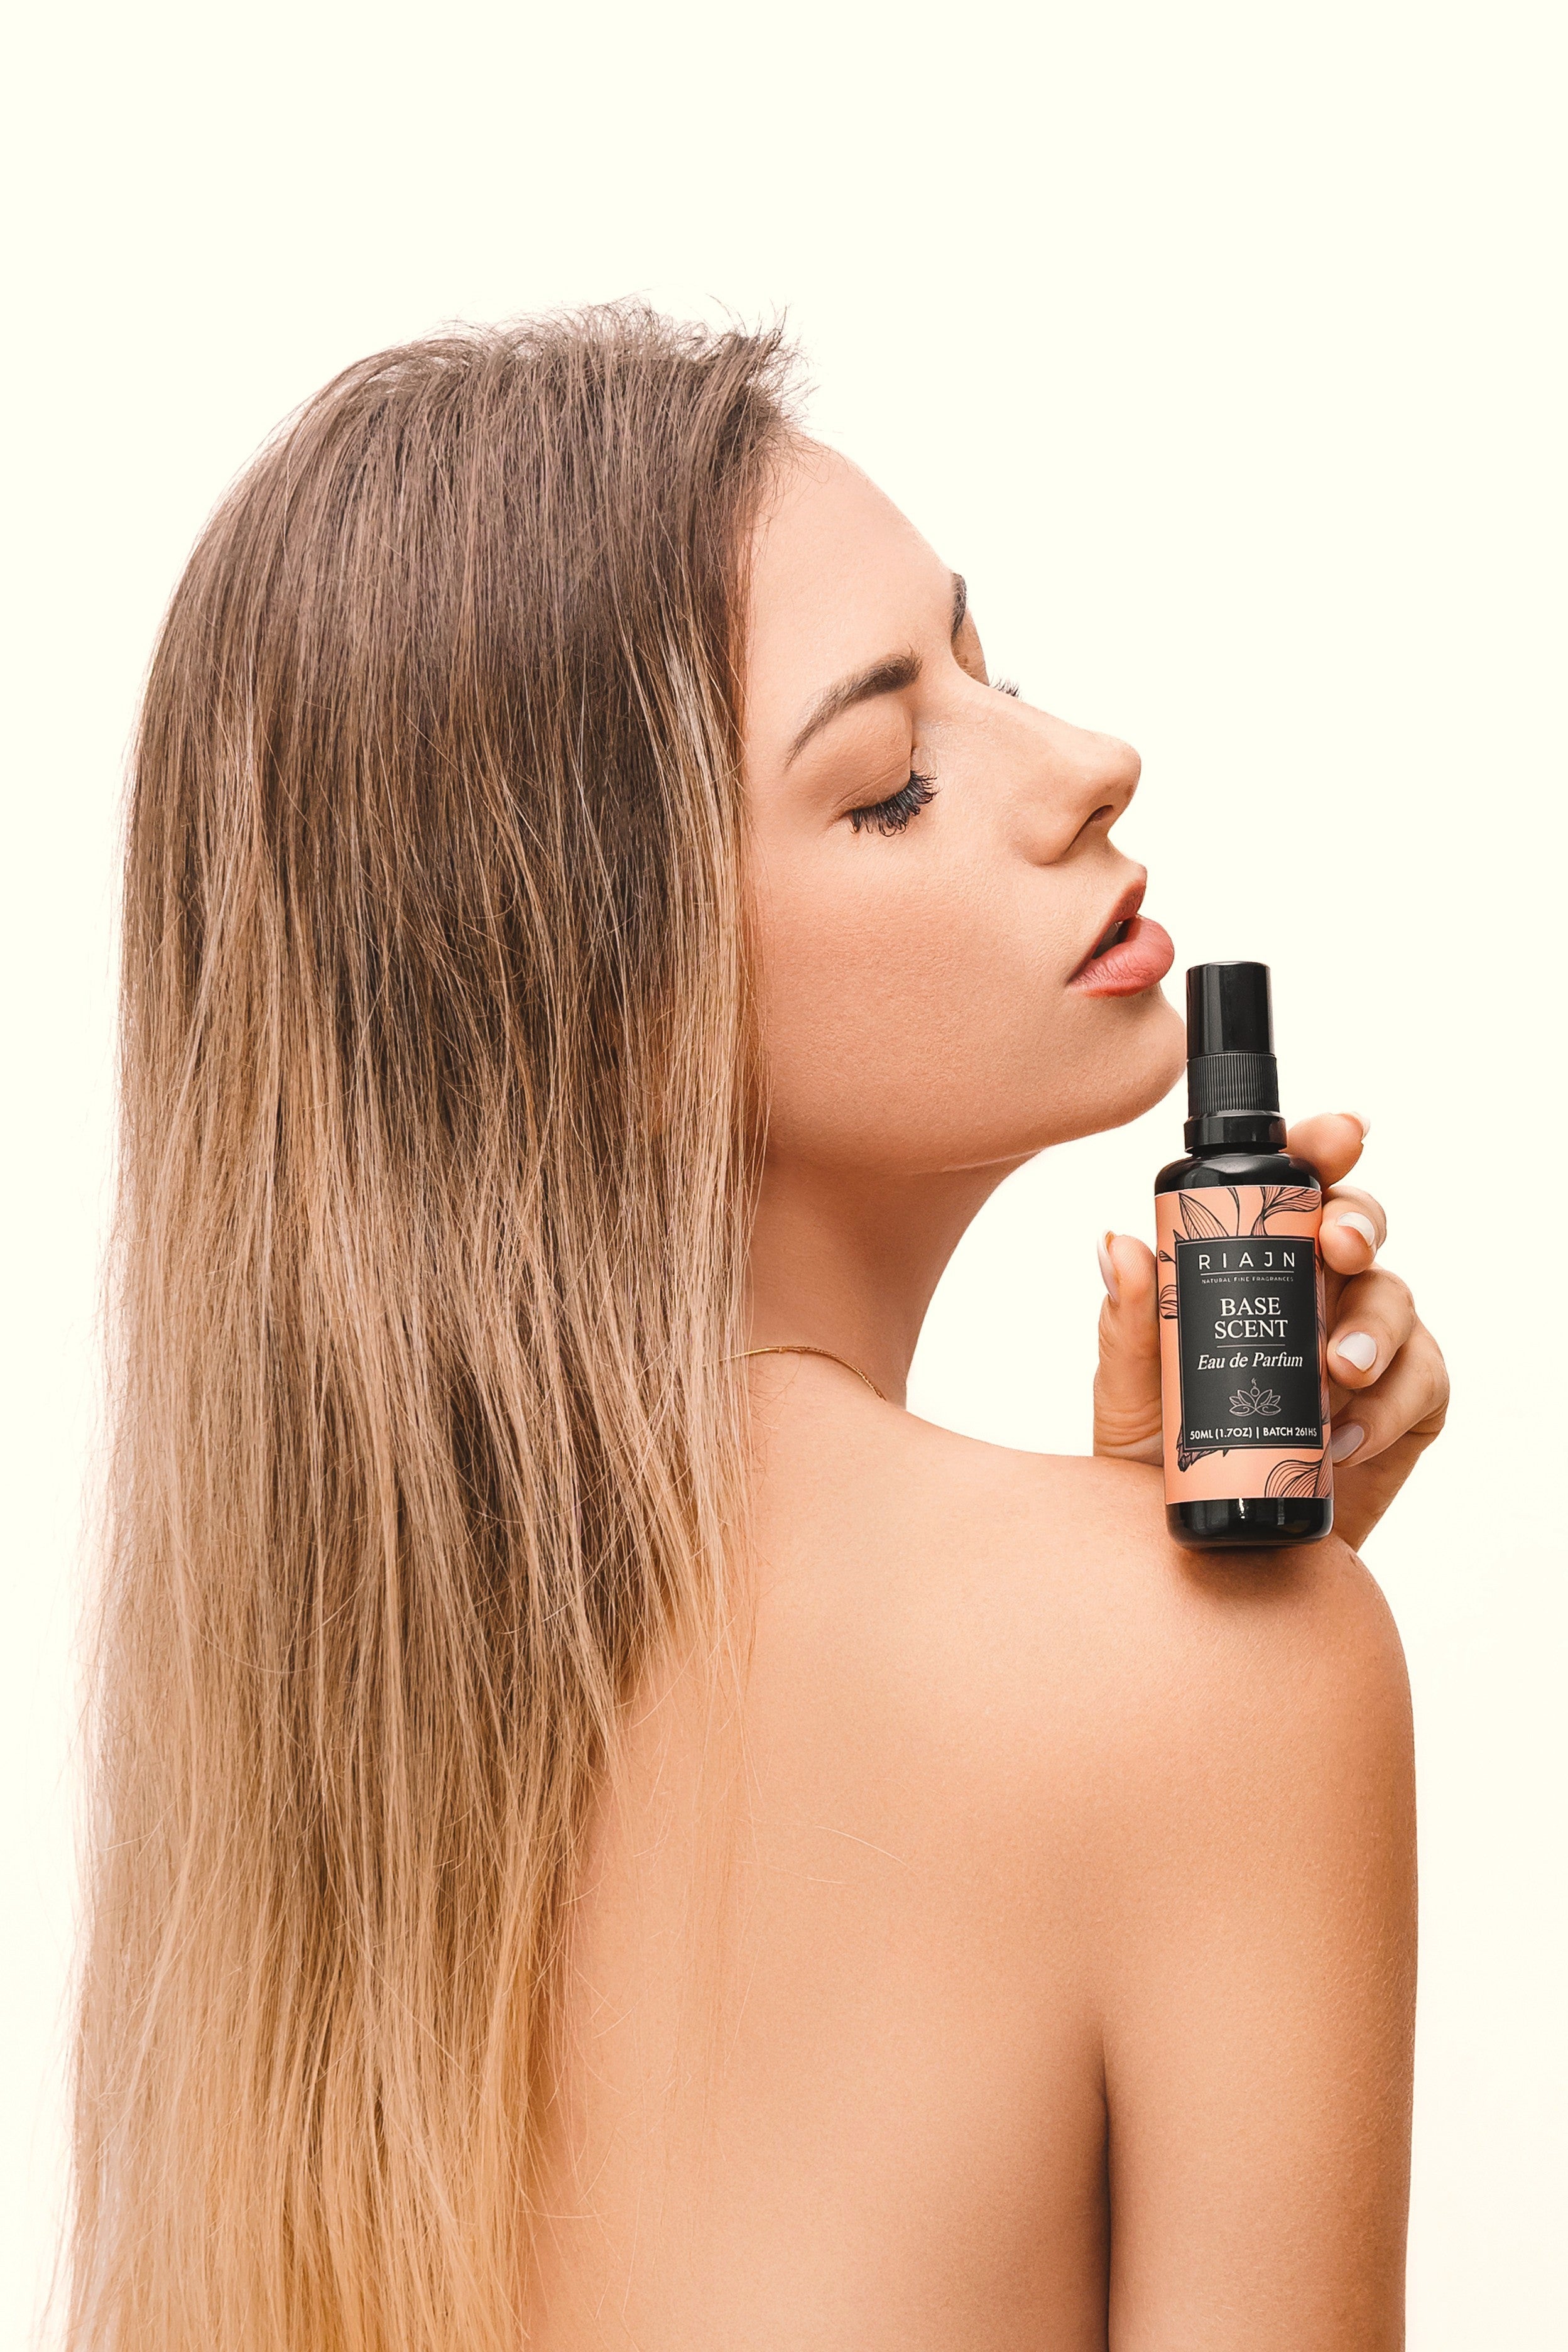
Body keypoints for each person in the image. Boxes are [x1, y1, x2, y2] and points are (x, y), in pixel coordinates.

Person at [73, 308, 1446, 2351]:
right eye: (890, 780)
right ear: (589, 1013)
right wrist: (1217, 1659)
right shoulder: (1214, 1680)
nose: (1086, 768)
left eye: (990, 665)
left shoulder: (286, 1828)